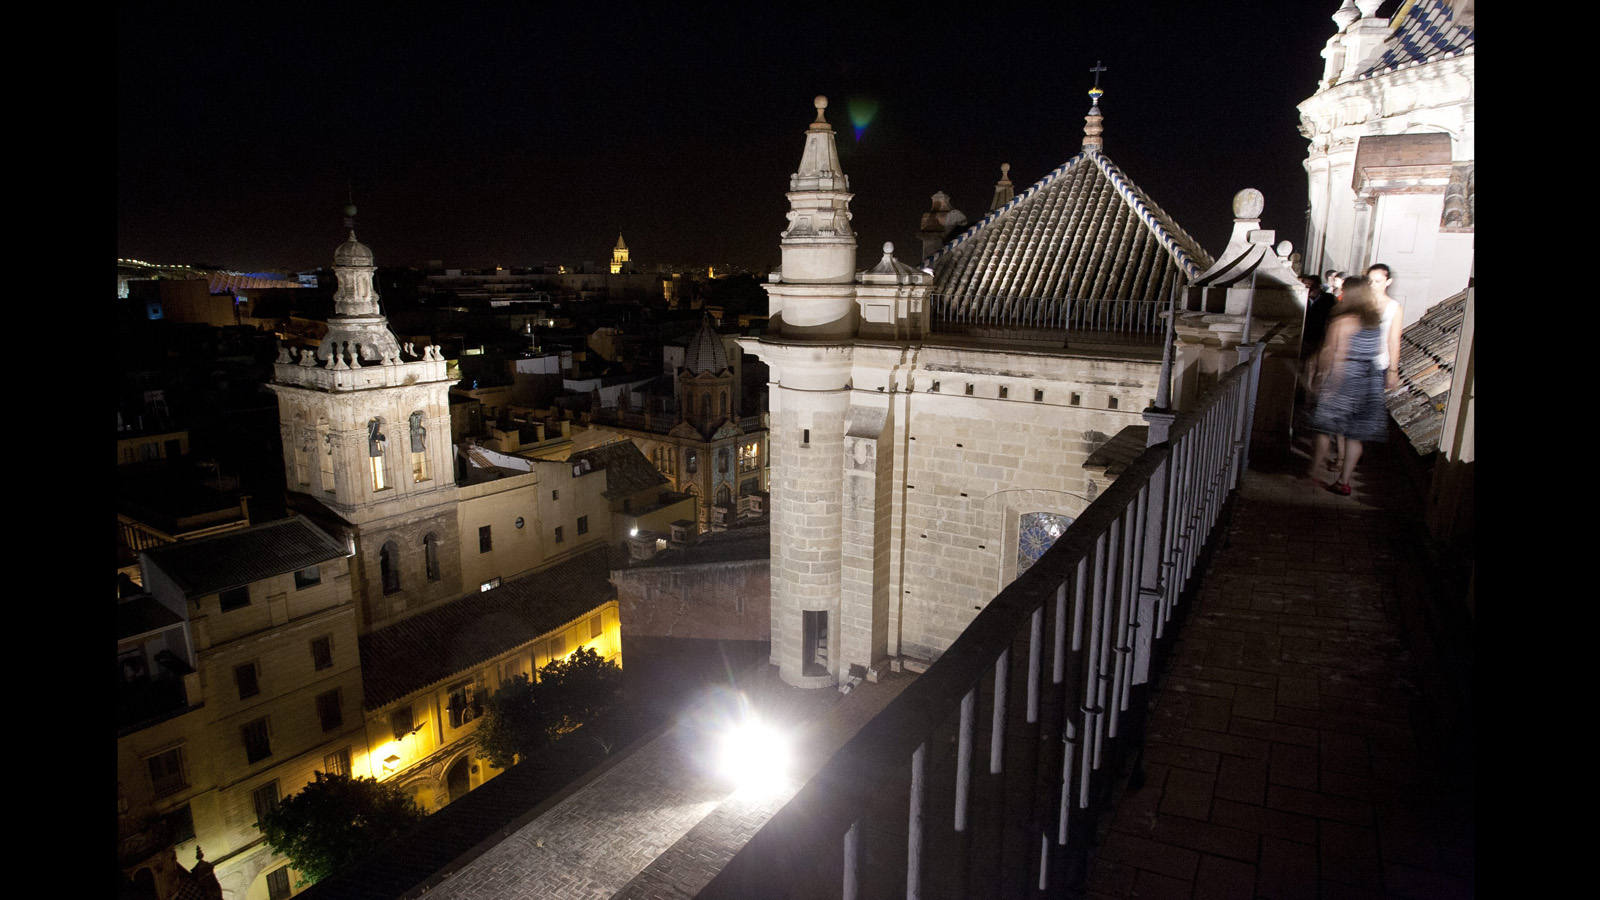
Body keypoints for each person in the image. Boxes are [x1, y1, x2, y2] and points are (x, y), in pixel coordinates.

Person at [1306, 276, 1389, 495]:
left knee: (1324, 428)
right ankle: (1344, 481)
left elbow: (1332, 353)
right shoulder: (1375, 322)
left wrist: (1323, 379)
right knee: (1355, 435)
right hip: (1368, 381)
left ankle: (1314, 473)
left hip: (1345, 378)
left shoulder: (1343, 321)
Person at [1365, 263, 1403, 393]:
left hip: (1378, 364)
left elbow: (1393, 340)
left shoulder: (1394, 308)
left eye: (1378, 281)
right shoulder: (1360, 303)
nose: (1373, 285)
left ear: (1388, 282)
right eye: (1370, 281)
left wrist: (1393, 370)